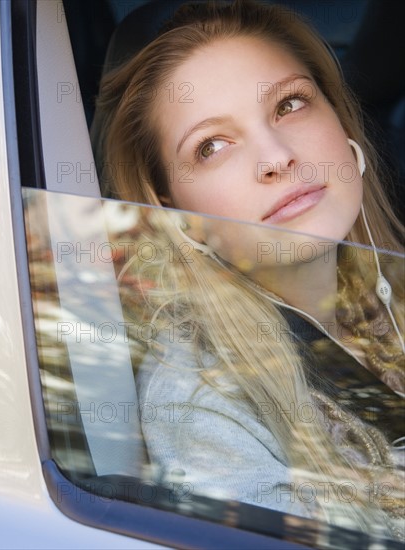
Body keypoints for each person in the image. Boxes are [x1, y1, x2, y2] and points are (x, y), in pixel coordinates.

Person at [93, 0, 405, 540]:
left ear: (341, 121)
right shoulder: (200, 407)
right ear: (173, 211)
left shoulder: (385, 293)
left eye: (289, 104)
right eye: (212, 146)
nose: (276, 156)